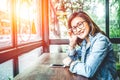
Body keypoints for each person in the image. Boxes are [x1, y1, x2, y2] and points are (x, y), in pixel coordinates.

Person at [63, 11, 119, 80]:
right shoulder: (85, 43)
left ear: (88, 22)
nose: (78, 30)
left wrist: (71, 63)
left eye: (80, 24)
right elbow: (73, 57)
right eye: (74, 28)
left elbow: (88, 71)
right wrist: (72, 44)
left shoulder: (100, 41)